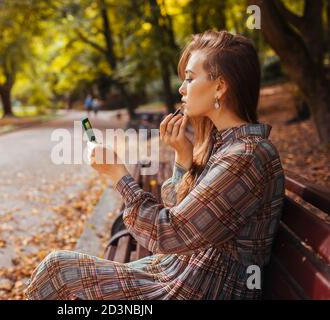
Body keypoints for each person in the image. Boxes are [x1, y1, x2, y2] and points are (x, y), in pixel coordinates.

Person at [25, 30, 285, 300]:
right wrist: (183, 159)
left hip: (197, 289)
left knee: (57, 269)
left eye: (190, 78)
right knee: (59, 270)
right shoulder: (225, 146)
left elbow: (169, 233)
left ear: (220, 86)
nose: (181, 89)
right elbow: (176, 209)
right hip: (179, 274)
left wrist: (118, 176)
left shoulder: (246, 157)